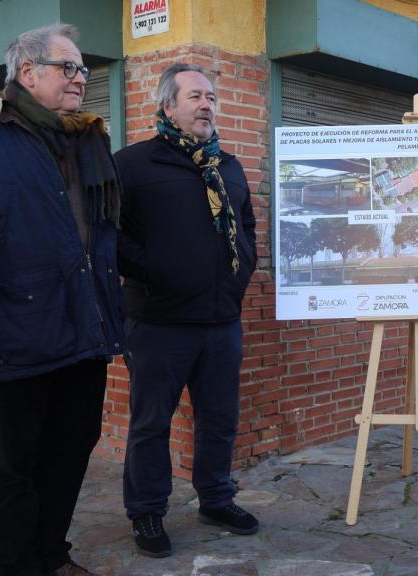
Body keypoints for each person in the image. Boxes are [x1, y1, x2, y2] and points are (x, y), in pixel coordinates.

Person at [0, 24, 125, 576]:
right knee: (13, 466)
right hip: (15, 340)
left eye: (84, 70)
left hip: (84, 332)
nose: (81, 79)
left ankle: (51, 555)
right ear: (28, 72)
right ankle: (18, 566)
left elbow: (103, 236)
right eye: (69, 68)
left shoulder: (88, 139)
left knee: (70, 450)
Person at [116, 63, 258, 558]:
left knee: (219, 418)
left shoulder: (229, 166)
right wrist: (156, 269)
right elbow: (110, 236)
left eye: (212, 97)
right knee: (151, 423)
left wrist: (242, 274)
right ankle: (148, 511)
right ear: (168, 106)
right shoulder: (132, 165)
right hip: (159, 324)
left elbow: (247, 231)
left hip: (222, 322)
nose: (207, 105)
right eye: (195, 96)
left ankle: (216, 497)